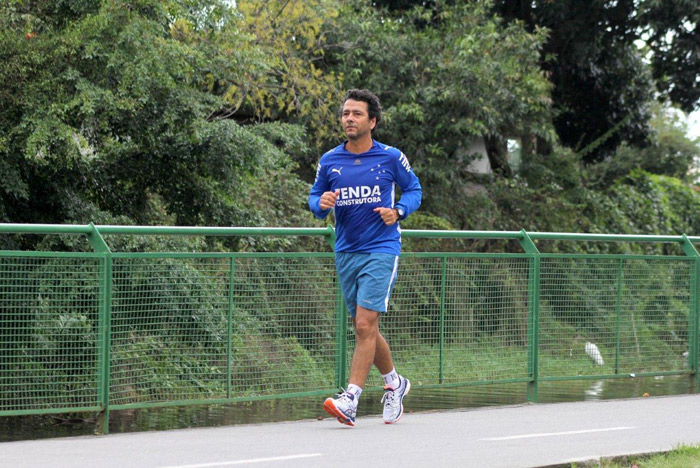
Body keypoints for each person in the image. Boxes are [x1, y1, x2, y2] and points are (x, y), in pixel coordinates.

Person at [308, 89, 422, 426]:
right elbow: (315, 200)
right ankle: (394, 383)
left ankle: (351, 399)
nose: (349, 119)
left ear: (372, 121)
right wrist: (321, 204)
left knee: (362, 324)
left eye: (356, 114)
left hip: (382, 248)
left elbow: (414, 189)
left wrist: (399, 210)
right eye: (345, 113)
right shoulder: (330, 161)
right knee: (366, 326)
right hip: (346, 250)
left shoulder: (390, 157)